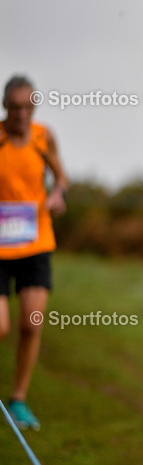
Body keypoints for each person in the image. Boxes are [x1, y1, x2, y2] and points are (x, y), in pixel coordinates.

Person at [0, 75, 68, 431]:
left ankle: (18, 400)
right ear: (5, 107)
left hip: (36, 243)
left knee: (32, 322)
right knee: (1, 326)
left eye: (28, 107)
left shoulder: (44, 137)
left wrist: (57, 195)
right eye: (15, 108)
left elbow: (61, 177)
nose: (22, 115)